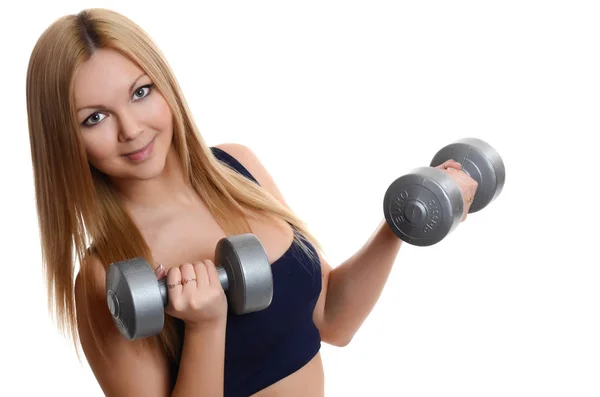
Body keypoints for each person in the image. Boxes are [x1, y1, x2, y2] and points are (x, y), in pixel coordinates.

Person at [25, 8, 478, 397]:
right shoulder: (105, 276)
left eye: (141, 92)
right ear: (65, 140)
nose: (131, 128)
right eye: (95, 118)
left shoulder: (237, 168)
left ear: (165, 86)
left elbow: (333, 320)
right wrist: (205, 326)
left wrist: (400, 221)